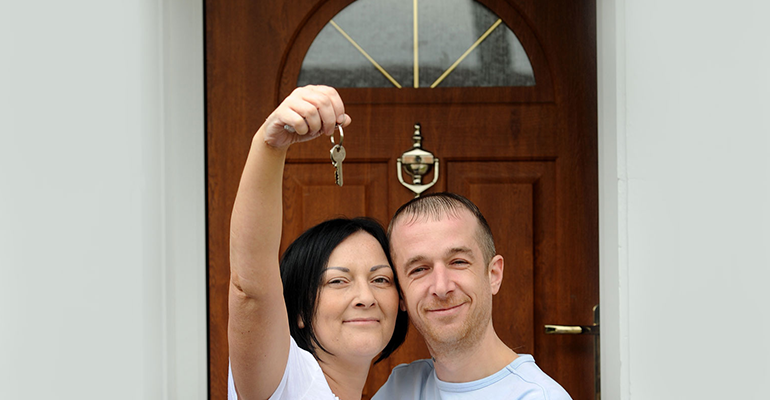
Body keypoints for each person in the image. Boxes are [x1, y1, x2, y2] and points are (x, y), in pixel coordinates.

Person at [227, 85, 408, 400]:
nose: (366, 297)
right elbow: (250, 292)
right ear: (298, 310)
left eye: (381, 279)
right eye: (338, 280)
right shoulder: (287, 382)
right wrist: (269, 146)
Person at [373, 193, 571, 399]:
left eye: (458, 262)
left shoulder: (537, 396)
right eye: (419, 269)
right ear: (401, 295)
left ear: (494, 274)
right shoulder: (400, 388)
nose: (441, 288)